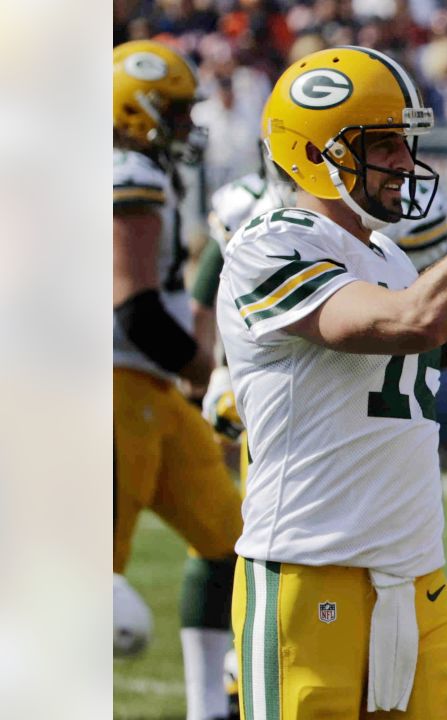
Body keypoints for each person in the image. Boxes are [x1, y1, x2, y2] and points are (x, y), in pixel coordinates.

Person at [216, 46, 447, 719]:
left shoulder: (386, 252)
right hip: (309, 575)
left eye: (404, 142)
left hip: (417, 577)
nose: (402, 160)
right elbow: (412, 322)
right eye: (381, 143)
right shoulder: (270, 243)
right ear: (313, 152)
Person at [112, 39, 245, 720]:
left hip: (148, 390)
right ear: (135, 111)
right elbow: (133, 307)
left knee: (231, 536)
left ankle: (206, 708)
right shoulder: (125, 169)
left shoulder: (137, 170)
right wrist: (211, 368)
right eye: (174, 111)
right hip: (112, 387)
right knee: (99, 596)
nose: (187, 126)